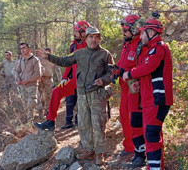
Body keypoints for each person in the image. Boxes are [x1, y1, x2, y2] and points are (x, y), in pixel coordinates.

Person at [35, 26, 114, 165]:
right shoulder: (80, 53)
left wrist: (104, 80)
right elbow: (64, 61)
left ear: (99, 38)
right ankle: (89, 150)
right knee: (83, 124)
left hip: (97, 94)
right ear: (86, 38)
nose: (94, 39)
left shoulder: (105, 54)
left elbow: (112, 72)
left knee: (99, 124)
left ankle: (100, 153)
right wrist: (48, 56)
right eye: (91, 37)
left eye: (96, 37)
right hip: (82, 94)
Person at [123, 13, 173, 169]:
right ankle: (155, 166)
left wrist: (129, 74)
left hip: (157, 100)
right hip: (149, 100)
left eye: (143, 32)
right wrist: (139, 83)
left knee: (151, 135)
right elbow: (149, 74)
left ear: (151, 33)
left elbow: (148, 67)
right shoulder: (150, 49)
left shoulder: (159, 48)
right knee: (151, 134)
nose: (141, 35)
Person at [34, 21, 89, 130]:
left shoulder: (89, 44)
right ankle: (50, 121)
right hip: (74, 81)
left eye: (76, 31)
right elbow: (68, 62)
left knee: (82, 107)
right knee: (56, 91)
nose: (74, 33)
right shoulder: (73, 46)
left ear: (83, 33)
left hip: (87, 82)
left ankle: (83, 129)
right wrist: (64, 77)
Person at [116, 14, 145, 163]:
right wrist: (115, 70)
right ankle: (129, 146)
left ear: (134, 30)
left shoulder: (141, 43)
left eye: (126, 30)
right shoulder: (127, 43)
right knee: (124, 116)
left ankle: (140, 149)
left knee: (134, 118)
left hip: (134, 87)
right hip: (124, 87)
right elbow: (123, 62)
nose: (123, 32)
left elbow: (141, 67)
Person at [13, 43, 43, 122]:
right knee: (25, 102)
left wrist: (28, 80)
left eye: (24, 48)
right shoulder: (21, 60)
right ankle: (28, 120)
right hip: (22, 85)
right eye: (21, 48)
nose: (22, 50)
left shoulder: (35, 60)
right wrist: (17, 79)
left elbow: (38, 74)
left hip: (32, 85)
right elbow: (16, 71)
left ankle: (30, 120)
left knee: (31, 102)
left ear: (29, 49)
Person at [37, 47, 62, 118]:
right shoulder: (40, 60)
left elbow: (57, 69)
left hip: (49, 79)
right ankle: (40, 110)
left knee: (49, 94)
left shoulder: (53, 60)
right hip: (40, 79)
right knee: (39, 95)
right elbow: (36, 68)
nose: (48, 53)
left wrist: (60, 78)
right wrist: (39, 76)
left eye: (49, 52)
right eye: (46, 52)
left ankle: (47, 109)